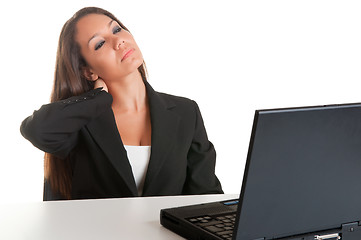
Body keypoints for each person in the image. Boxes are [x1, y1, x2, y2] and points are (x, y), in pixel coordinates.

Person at [20, 6, 223, 201]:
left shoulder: (186, 112)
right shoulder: (79, 123)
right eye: (99, 44)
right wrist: (98, 98)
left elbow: (206, 196)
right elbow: (37, 130)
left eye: (116, 29)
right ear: (88, 71)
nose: (118, 41)